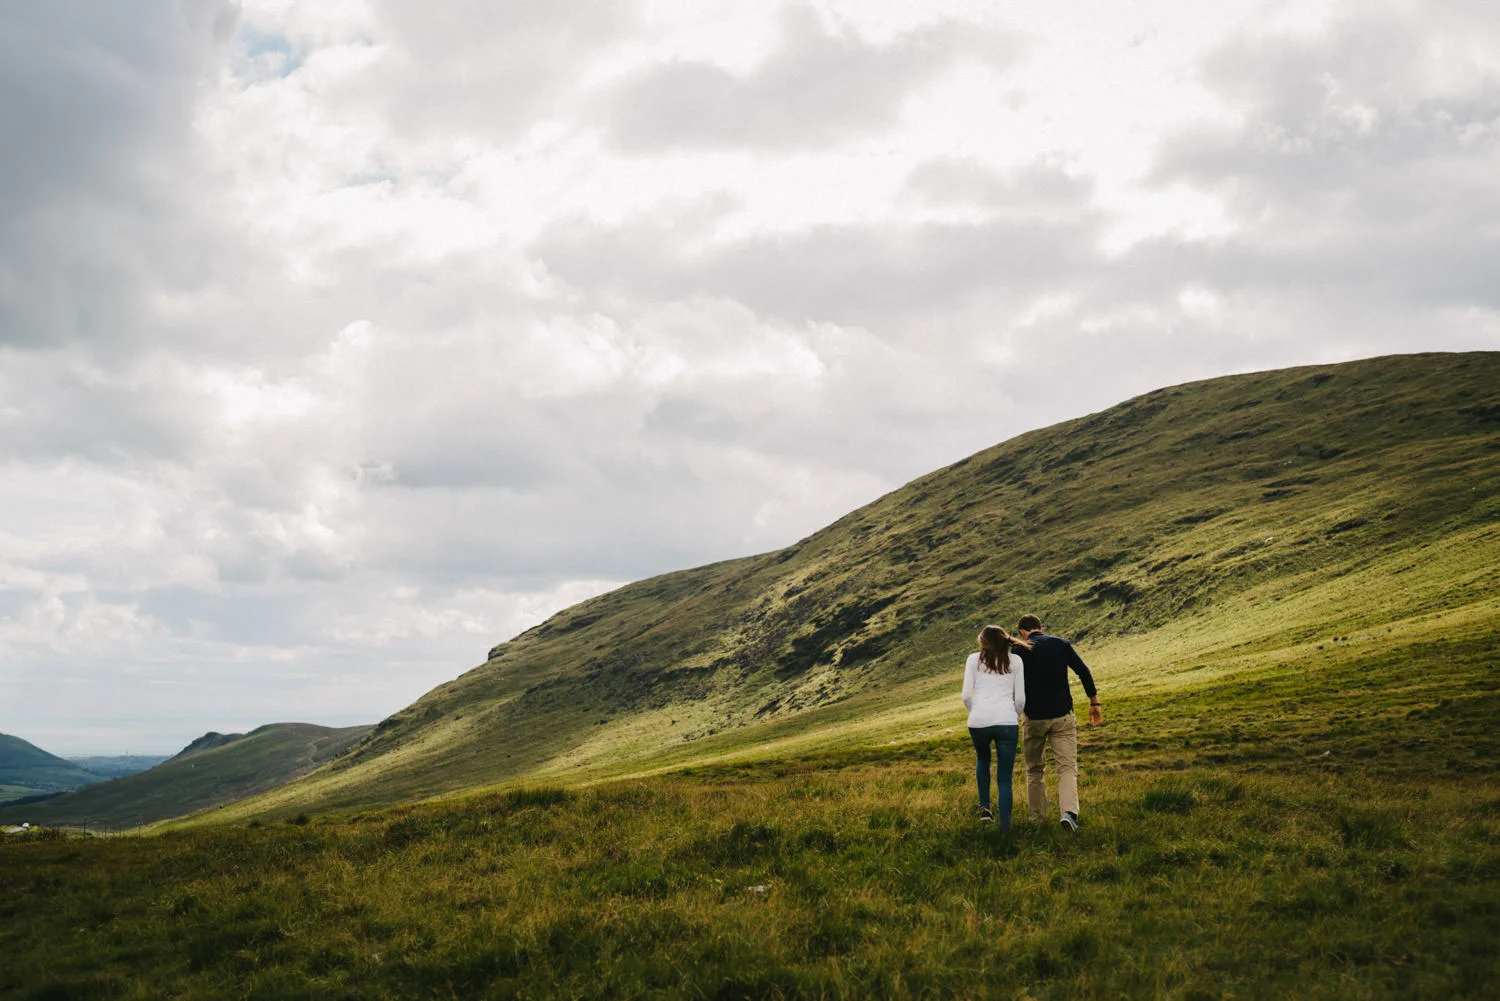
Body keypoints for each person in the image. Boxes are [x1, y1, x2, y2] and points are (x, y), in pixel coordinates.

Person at [1014, 614, 1102, 831]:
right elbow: (1083, 671)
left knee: (1034, 770)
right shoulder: (1060, 644)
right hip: (1061, 715)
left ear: (1021, 633)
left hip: (1033, 718)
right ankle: (1069, 814)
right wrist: (1094, 702)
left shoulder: (1017, 651)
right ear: (1041, 628)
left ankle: (1037, 819)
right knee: (1066, 768)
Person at [961, 625, 1028, 827]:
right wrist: (1013, 715)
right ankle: (1005, 827)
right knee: (1005, 778)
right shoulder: (1016, 661)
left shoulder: (973, 660)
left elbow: (965, 696)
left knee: (982, 760)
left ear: (983, 641)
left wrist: (976, 711)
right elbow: (1021, 700)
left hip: (978, 721)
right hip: (1006, 721)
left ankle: (985, 809)